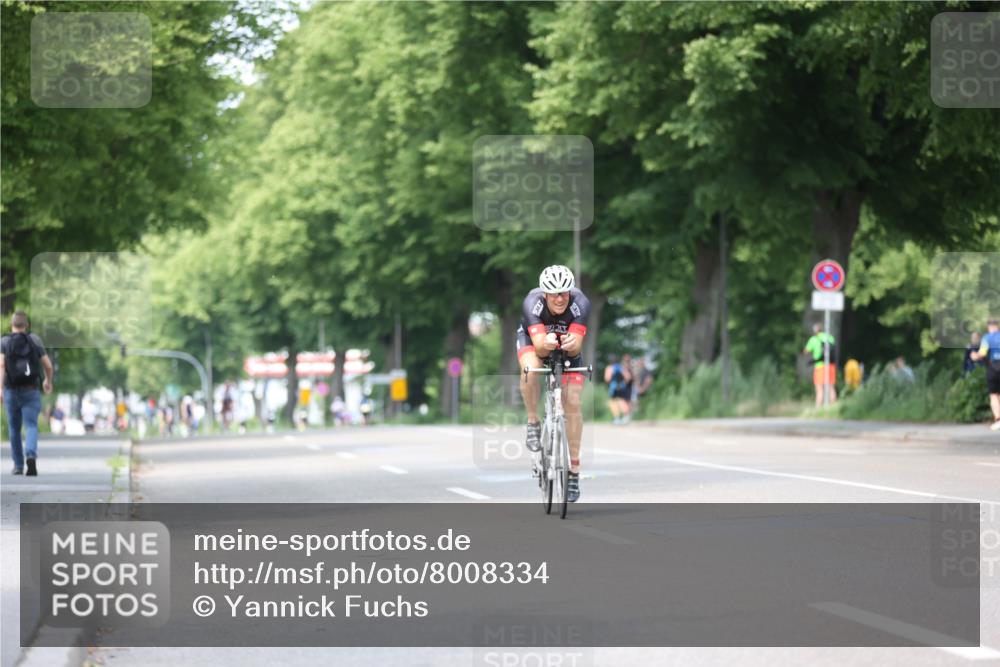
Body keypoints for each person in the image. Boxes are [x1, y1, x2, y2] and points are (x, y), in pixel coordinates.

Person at [517, 265, 590, 502]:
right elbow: (539, 348)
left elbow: (576, 348)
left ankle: (574, 472)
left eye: (564, 293)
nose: (560, 299)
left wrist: (571, 343)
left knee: (573, 402)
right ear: (545, 294)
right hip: (534, 340)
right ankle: (533, 421)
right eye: (554, 294)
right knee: (530, 370)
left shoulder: (580, 303)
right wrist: (545, 342)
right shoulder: (532, 303)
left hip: (567, 349)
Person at [0, 311, 54, 476]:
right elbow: (48, 365)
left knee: (14, 429)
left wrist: (0, 389)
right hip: (31, 390)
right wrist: (47, 381)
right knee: (31, 425)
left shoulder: (4, 342)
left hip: (11, 390)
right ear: (27, 325)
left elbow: (1, 365)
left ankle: (18, 465)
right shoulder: (34, 340)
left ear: (12, 325)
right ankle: (31, 455)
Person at [969, 317, 1000, 431]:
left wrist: (974, 356)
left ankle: (998, 419)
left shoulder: (987, 338)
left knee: (994, 395)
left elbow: (982, 353)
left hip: (993, 367)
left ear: (989, 327)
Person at [803, 322, 837, 407]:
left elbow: (806, 351)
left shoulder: (813, 339)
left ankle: (818, 409)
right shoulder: (829, 337)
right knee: (831, 387)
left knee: (819, 389)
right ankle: (833, 408)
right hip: (830, 365)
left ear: (815, 331)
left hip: (819, 366)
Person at [604, 354, 632, 424]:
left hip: (613, 387)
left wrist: (611, 383)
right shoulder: (621, 367)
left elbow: (607, 378)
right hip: (621, 387)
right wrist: (623, 384)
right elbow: (628, 377)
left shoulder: (609, 368)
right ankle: (626, 417)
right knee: (622, 401)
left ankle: (617, 419)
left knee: (613, 402)